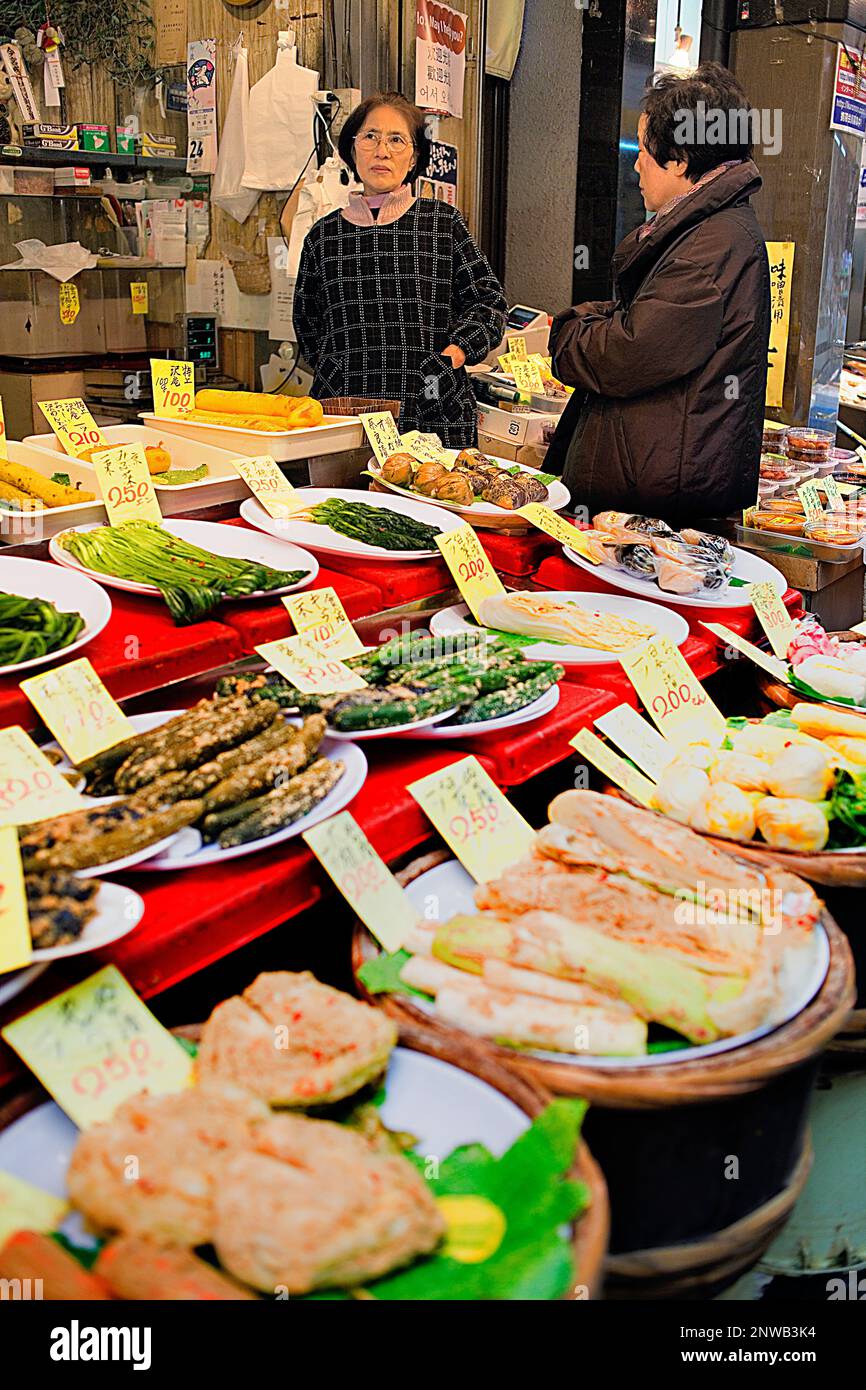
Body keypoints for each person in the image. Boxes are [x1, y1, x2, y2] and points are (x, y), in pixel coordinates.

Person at [547, 62, 770, 524]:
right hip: (661, 485)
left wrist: (566, 331)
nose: (636, 163)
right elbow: (652, 320)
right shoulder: (710, 230)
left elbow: (629, 352)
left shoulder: (711, 243)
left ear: (680, 158)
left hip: (660, 501)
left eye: (645, 149)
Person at [293, 92, 506, 446]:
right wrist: (338, 368)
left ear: (414, 157)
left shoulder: (442, 223)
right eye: (370, 137)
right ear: (351, 148)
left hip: (432, 401)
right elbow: (308, 322)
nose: (382, 150)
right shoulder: (323, 235)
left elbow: (489, 303)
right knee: (345, 499)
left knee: (430, 496)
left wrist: (455, 352)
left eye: (396, 139)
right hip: (342, 410)